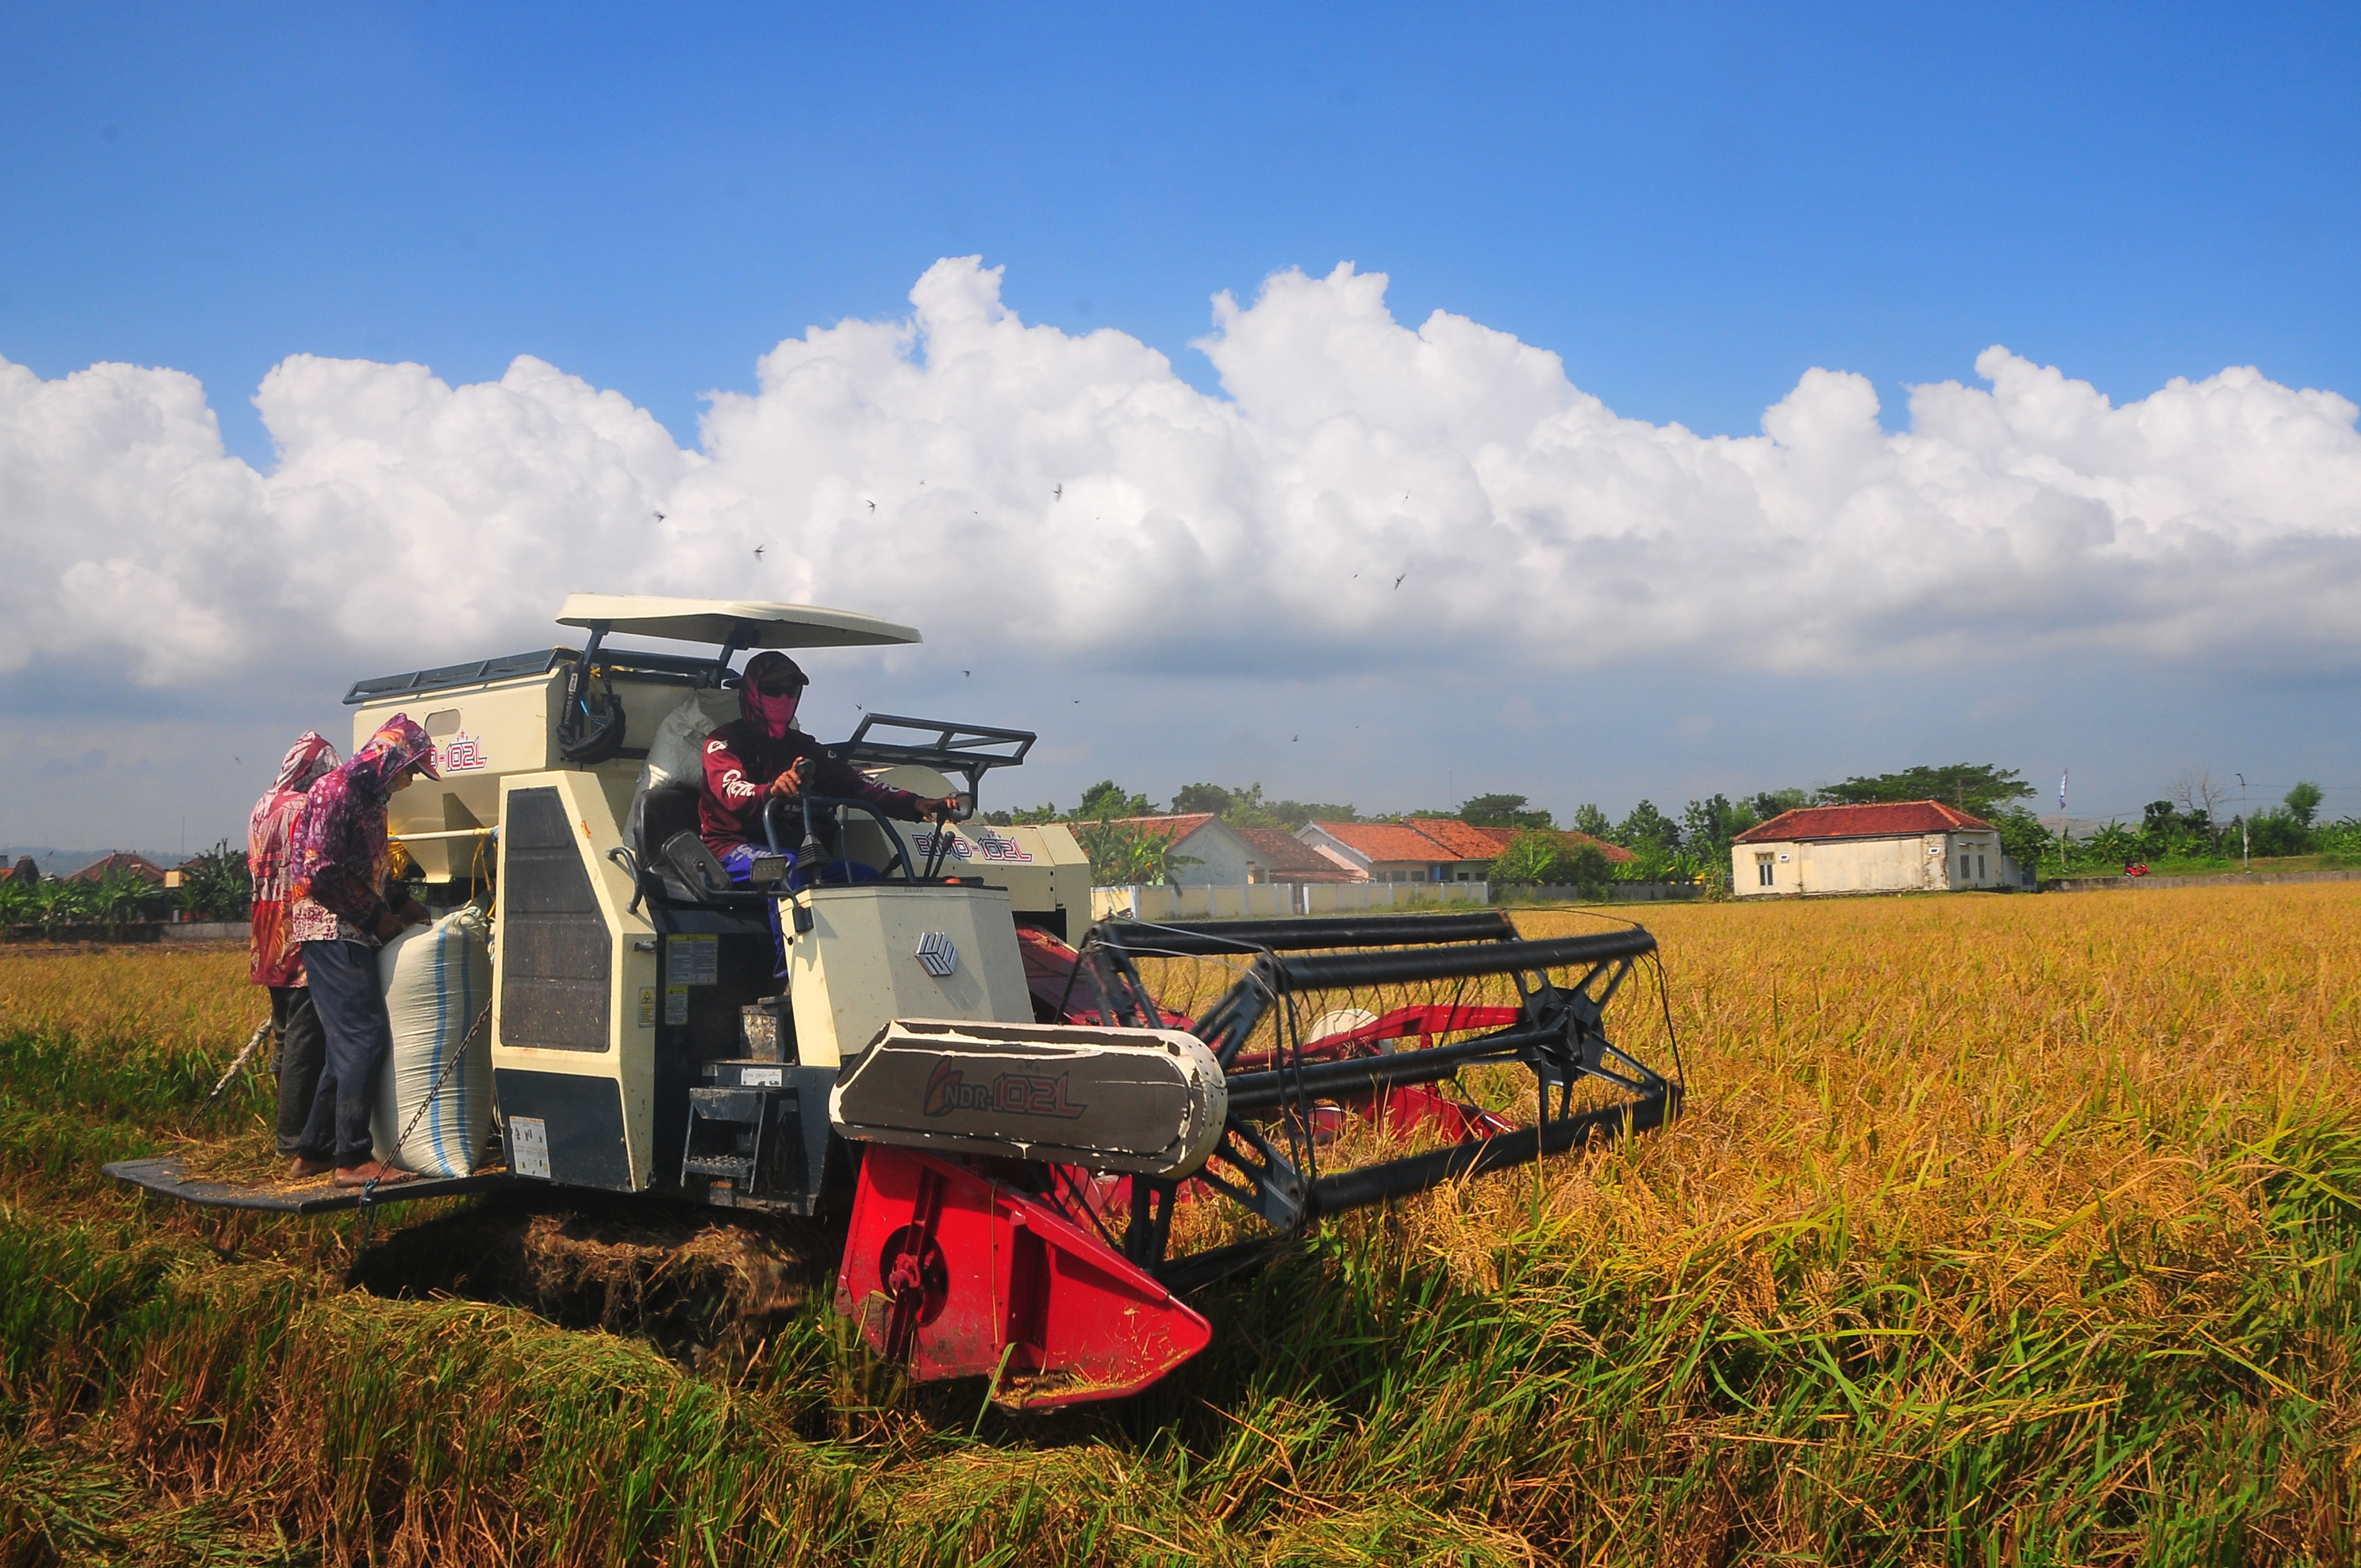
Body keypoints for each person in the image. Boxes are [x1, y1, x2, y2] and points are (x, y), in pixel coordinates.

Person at [286, 715, 439, 1186]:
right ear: (389, 759)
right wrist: (377, 918)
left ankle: (315, 1148)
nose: (410, 781)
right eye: (409, 770)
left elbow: (367, 870)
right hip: (331, 929)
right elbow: (322, 872)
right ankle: (352, 1158)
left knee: (345, 1045)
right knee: (364, 1037)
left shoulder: (372, 800)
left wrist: (400, 902)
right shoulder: (337, 792)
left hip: (350, 928)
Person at [699, 651, 957, 884]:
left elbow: (855, 784)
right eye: (773, 689)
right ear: (752, 692)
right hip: (729, 849)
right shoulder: (724, 743)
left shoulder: (802, 746)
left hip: (788, 850)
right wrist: (772, 792)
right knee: (788, 870)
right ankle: (795, 939)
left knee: (867, 878)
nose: (784, 697)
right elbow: (733, 793)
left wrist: (913, 804)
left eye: (792, 690)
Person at [248, 731, 339, 1158]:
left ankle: (284, 1132)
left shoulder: (262, 806)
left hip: (265, 931)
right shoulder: (304, 808)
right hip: (297, 929)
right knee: (306, 1040)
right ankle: (293, 1141)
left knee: (285, 1034)